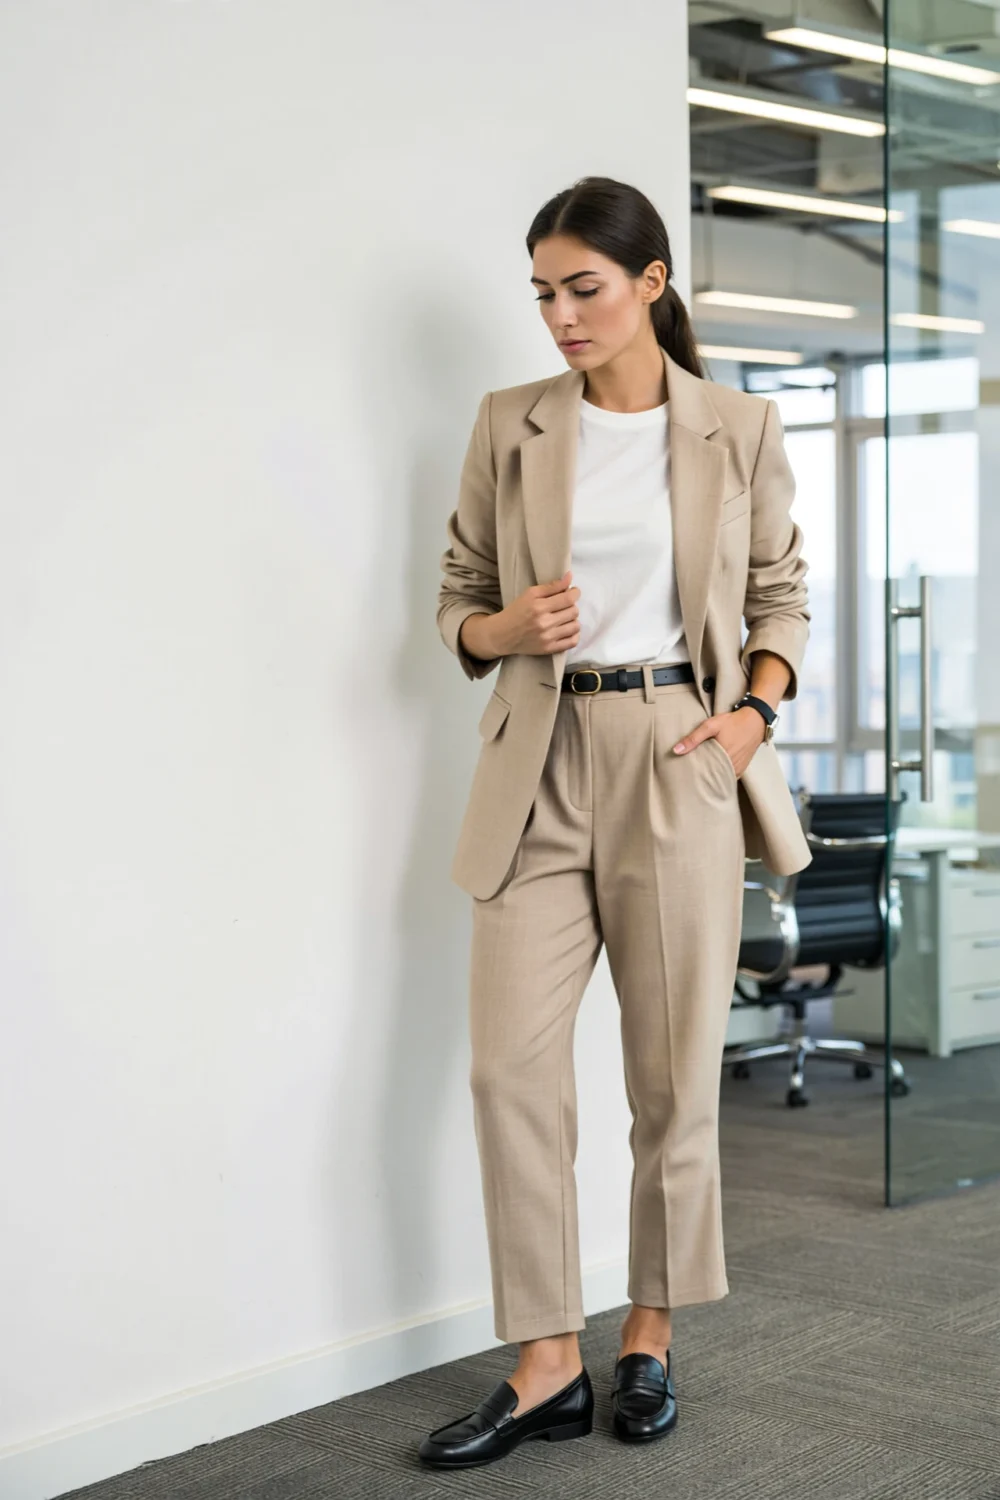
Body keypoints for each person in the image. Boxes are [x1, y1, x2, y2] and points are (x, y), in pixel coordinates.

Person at [420, 175, 811, 1470]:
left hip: (677, 751)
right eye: (543, 294)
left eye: (583, 288)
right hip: (536, 756)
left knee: (670, 1075)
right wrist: (503, 627)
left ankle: (648, 1334)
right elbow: (457, 597)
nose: (561, 316)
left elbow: (781, 596)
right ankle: (545, 1362)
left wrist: (751, 718)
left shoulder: (737, 426)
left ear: (651, 282)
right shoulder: (510, 422)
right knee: (507, 1070)